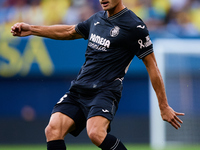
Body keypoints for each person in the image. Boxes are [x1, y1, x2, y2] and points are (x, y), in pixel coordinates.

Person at [11, 0, 185, 149]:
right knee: (53, 129)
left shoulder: (134, 26)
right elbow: (69, 31)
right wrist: (32, 29)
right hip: (80, 89)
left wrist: (163, 106)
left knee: (95, 133)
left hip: (105, 91)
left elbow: (152, 65)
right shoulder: (97, 19)